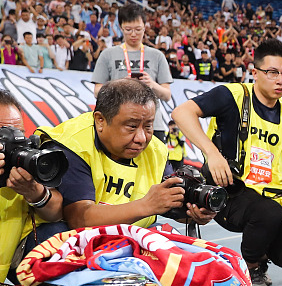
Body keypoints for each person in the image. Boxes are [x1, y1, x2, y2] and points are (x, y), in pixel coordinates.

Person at [171, 39, 282, 286]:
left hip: (274, 198)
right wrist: (212, 154)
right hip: (231, 192)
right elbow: (182, 113)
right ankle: (252, 266)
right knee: (267, 213)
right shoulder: (232, 96)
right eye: (272, 72)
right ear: (255, 73)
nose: (280, 80)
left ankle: (261, 245)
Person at [41, 79, 215, 231]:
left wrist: (193, 213)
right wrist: (146, 205)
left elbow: (167, 204)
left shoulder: (156, 150)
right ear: (100, 120)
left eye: (148, 126)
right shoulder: (73, 144)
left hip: (131, 231)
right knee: (53, 231)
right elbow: (79, 219)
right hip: (73, 237)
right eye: (131, 126)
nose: (141, 138)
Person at [0, 91, 65, 286]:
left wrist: (35, 192)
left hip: (8, 265)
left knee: (58, 235)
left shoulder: (24, 161)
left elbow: (56, 209)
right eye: (3, 135)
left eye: (18, 132)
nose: (13, 142)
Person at [93, 3, 174, 141]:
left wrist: (151, 84)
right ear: (121, 28)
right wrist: (118, 85)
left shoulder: (157, 55)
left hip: (152, 125)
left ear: (145, 27)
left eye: (138, 29)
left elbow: (167, 95)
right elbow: (97, 91)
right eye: (128, 29)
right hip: (119, 124)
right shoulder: (108, 54)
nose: (134, 34)